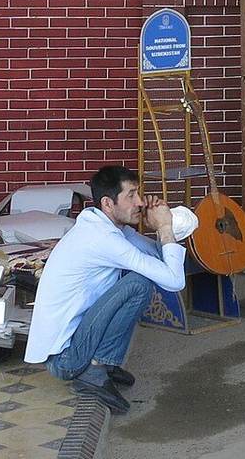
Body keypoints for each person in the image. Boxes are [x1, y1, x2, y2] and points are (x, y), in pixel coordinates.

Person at [25, 164, 187, 413]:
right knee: (138, 284)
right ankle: (94, 369)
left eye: (138, 193)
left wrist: (159, 227)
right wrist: (165, 228)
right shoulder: (103, 238)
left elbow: (159, 258)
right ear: (108, 204)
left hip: (76, 340)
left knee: (141, 278)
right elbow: (174, 281)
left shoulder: (109, 228)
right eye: (131, 195)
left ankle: (105, 363)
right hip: (65, 359)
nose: (140, 202)